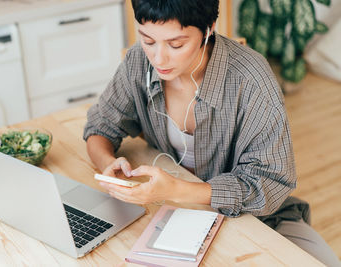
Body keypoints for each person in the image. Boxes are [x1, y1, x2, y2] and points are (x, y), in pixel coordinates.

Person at [83, 0, 340, 265]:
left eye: (176, 45)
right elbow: (100, 125)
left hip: (256, 217)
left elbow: (271, 183)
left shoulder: (251, 80)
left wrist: (177, 190)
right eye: (148, 40)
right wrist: (108, 165)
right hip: (170, 215)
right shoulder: (138, 60)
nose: (158, 58)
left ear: (208, 30)